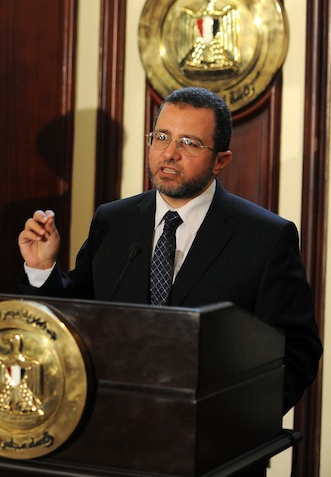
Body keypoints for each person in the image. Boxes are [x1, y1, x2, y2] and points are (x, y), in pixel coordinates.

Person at [18, 87, 322, 416]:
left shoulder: (265, 236)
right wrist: (42, 268)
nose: (170, 154)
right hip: (113, 423)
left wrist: (241, 419)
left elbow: (297, 349)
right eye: (162, 137)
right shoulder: (112, 220)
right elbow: (74, 316)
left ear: (221, 161)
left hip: (213, 434)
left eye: (189, 143)